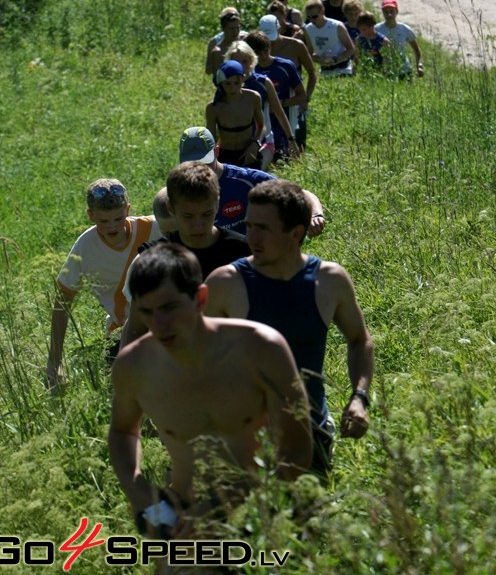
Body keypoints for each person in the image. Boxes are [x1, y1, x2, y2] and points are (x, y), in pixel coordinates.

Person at [108, 243, 312, 557]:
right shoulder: (134, 366)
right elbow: (123, 431)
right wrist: (138, 491)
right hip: (183, 518)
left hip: (266, 505)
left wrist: (222, 506)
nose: (159, 325)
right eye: (147, 312)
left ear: (200, 298)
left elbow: (298, 451)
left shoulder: (260, 348)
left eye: (170, 308)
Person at [205, 179, 374, 472]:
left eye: (263, 228)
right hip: (240, 443)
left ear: (296, 233)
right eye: (249, 225)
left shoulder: (329, 281)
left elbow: (359, 340)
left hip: (311, 433)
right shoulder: (226, 284)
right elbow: (189, 353)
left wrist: (359, 397)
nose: (250, 237)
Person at [121, 163, 251, 348]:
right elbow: (135, 330)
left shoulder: (243, 251)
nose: (198, 225)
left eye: (206, 214)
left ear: (218, 203)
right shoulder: (154, 259)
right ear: (171, 208)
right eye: (188, 216)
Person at [45, 179, 161, 387]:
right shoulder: (85, 246)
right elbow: (63, 302)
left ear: (128, 209)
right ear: (90, 215)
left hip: (167, 323)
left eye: (118, 218)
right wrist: (55, 362)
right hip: (123, 333)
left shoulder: (155, 228)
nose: (112, 227)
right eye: (103, 221)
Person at [172, 126, 326, 238]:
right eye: (192, 162)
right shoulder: (181, 188)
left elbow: (301, 194)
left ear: (217, 152)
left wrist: (315, 215)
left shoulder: (245, 180)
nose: (199, 167)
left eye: (205, 160)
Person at [225, 40, 298, 170]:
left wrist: (291, 141)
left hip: (264, 142)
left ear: (252, 60)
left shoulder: (263, 82)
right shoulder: (226, 85)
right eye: (236, 62)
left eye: (245, 61)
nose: (241, 66)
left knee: (253, 170)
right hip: (235, 144)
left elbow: (279, 112)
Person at [245, 30, 306, 163]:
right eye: (257, 52)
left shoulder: (285, 66)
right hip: (260, 130)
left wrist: (280, 104)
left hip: (285, 124)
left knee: (287, 164)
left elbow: (302, 96)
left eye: (265, 50)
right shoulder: (248, 73)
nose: (262, 55)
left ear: (270, 47)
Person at [259, 12, 317, 153]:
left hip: (292, 101)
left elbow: (312, 73)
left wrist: (306, 98)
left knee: (297, 144)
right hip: (266, 106)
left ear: (279, 28)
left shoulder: (296, 45)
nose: (271, 43)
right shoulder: (257, 49)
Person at [206, 60, 265, 169]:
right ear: (221, 83)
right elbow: (211, 138)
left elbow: (261, 126)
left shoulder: (253, 98)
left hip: (248, 152)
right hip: (224, 156)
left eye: (236, 83)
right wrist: (211, 160)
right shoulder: (214, 107)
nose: (232, 88)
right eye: (227, 83)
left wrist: (255, 145)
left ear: (243, 78)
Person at [303, 0, 355, 77]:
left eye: (315, 16)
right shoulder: (308, 29)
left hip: (344, 69)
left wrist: (335, 60)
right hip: (325, 71)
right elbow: (309, 53)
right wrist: (319, 59)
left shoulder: (337, 26)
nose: (312, 20)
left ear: (322, 11)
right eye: (309, 17)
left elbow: (351, 49)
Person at [375, 0, 424, 78]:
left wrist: (419, 66)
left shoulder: (404, 29)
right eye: (386, 12)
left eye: (391, 11)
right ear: (383, 13)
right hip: (385, 71)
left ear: (397, 11)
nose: (389, 14)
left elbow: (416, 50)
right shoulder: (377, 29)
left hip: (404, 71)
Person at [205, 8, 247, 76]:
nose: (235, 32)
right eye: (231, 29)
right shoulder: (217, 48)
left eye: (238, 28)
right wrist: (220, 61)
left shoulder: (246, 41)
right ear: (223, 29)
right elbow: (209, 71)